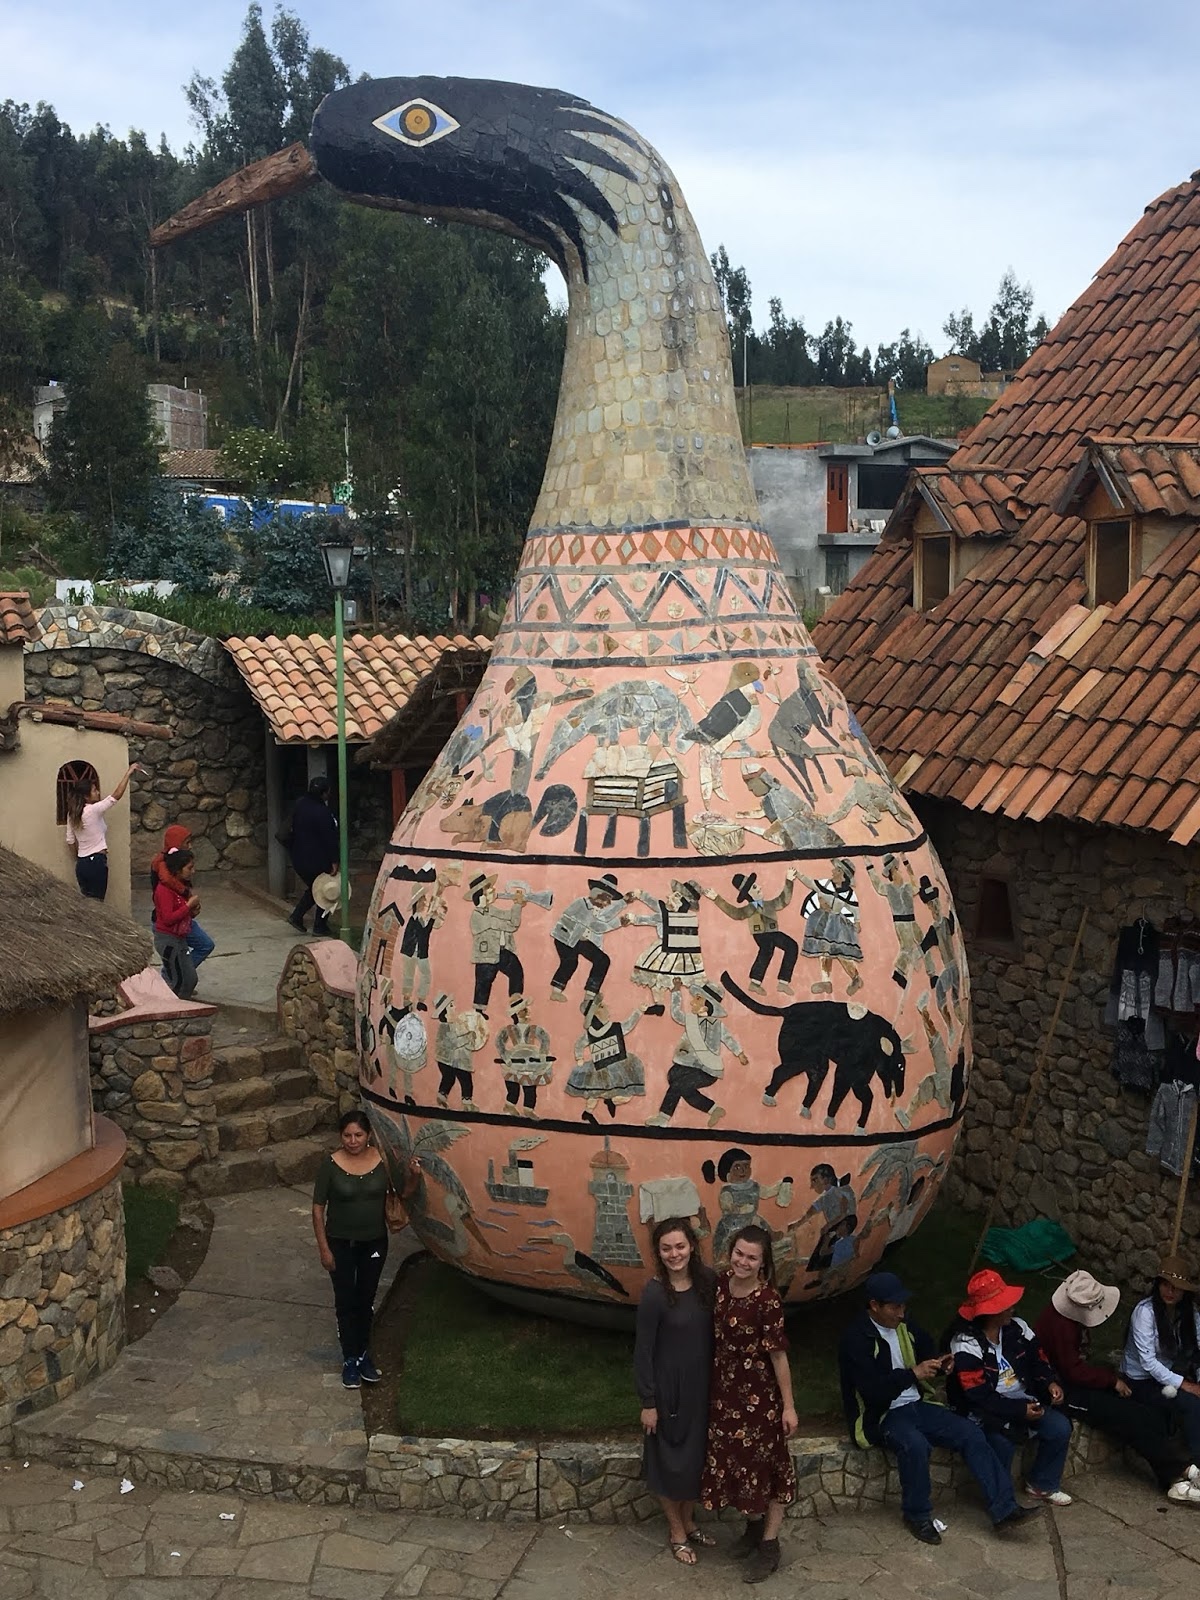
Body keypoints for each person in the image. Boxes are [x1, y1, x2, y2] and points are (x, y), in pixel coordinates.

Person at [839, 1270, 1038, 1545]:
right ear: (874, 1305)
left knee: (970, 1433)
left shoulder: (905, 1324)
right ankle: (917, 1515)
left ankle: (1005, 1509)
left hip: (917, 1403)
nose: (901, 1313)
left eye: (903, 1305)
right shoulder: (855, 1339)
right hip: (883, 1413)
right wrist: (912, 1374)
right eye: (894, 1307)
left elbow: (927, 1349)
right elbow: (872, 1393)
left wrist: (941, 1363)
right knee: (915, 1445)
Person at [1036, 1268, 1195, 1502]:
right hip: (1060, 1389)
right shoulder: (1061, 1326)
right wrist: (1111, 1380)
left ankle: (1174, 1471)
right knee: (1124, 1416)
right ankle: (1177, 1472)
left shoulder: (1067, 1321)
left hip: (1072, 1380)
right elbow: (1072, 1371)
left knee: (1142, 1413)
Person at [701, 1224, 797, 1584]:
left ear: (763, 1262)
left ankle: (770, 1545)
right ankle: (754, 1528)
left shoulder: (767, 1300)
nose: (743, 1261)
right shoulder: (720, 1285)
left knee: (767, 1469)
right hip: (724, 1397)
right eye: (739, 1253)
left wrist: (788, 1406)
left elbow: (778, 1356)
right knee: (738, 1466)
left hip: (759, 1402)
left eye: (751, 1257)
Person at [947, 1268, 1073, 1506]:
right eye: (1005, 1305)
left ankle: (1042, 1484)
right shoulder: (965, 1344)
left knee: (1059, 1427)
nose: (1012, 1308)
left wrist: (1050, 1382)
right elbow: (978, 1396)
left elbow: (1039, 1360)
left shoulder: (1018, 1328)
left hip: (1022, 1399)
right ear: (990, 1312)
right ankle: (1000, 1500)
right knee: (1002, 1444)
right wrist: (1019, 1411)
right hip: (983, 1411)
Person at [311, 1111, 419, 1389]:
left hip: (374, 1243)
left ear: (368, 1135)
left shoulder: (382, 1161)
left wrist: (414, 1177)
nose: (352, 1140)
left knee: (366, 1298)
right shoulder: (330, 1165)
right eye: (347, 1135)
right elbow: (317, 1208)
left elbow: (401, 1195)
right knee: (346, 1300)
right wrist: (324, 1249)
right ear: (340, 1136)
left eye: (358, 1135)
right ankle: (349, 1358)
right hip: (340, 1243)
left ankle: (362, 1355)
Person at [635, 1218, 717, 1565]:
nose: (674, 1254)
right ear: (659, 1252)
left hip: (703, 1390)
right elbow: (643, 1351)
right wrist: (648, 1401)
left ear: (692, 1246)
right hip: (668, 1393)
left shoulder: (708, 1282)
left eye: (680, 1246)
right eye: (666, 1248)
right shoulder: (655, 1294)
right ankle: (676, 1531)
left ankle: (689, 1521)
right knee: (669, 1463)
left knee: (695, 1461)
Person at [1120, 1254, 1200, 1496]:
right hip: (1140, 1380)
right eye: (1166, 1285)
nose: (1170, 1292)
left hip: (1171, 1372)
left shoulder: (1190, 1314)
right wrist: (1186, 1385)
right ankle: (1197, 1465)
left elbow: (1198, 1349)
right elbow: (1148, 1363)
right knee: (1189, 1402)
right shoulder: (1145, 1312)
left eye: (1176, 1288)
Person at [64, 763, 142, 900]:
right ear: (86, 796)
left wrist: (79, 857)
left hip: (82, 864)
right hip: (96, 862)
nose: (98, 793)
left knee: (87, 902)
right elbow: (115, 796)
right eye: (94, 790)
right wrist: (128, 773)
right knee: (98, 902)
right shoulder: (93, 810)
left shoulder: (72, 814)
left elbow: (70, 840)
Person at [150, 823, 215, 971]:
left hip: (182, 918)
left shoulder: (177, 862)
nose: (190, 846)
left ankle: (179, 974)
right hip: (169, 924)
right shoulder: (162, 865)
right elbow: (168, 881)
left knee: (204, 946)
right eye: (187, 843)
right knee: (195, 949)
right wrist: (188, 900)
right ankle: (174, 975)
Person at [287, 776, 339, 934]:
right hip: (316, 859)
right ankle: (319, 925)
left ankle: (297, 916)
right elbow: (329, 839)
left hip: (298, 856)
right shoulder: (322, 812)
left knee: (314, 888)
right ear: (324, 793)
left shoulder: (300, 804)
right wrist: (334, 861)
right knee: (328, 888)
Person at [152, 847, 200, 999]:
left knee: (190, 979)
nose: (193, 871)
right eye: (189, 868)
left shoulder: (180, 888)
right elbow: (168, 919)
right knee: (178, 982)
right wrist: (188, 906)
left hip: (179, 939)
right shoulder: (164, 890)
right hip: (168, 941)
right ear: (178, 870)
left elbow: (181, 913)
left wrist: (191, 911)